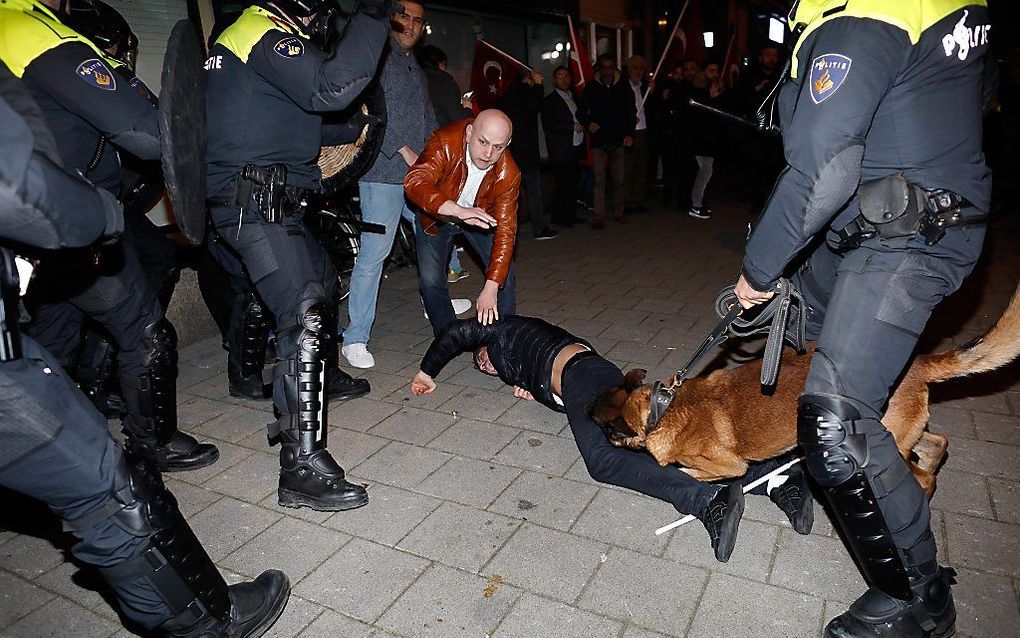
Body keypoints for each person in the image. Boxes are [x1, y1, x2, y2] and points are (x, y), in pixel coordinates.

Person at [0, 60, 290, 638]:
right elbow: (17, 185)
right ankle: (206, 620)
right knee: (106, 484)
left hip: (26, 299)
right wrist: (101, 215)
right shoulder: (39, 34)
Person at [732, 2, 991, 636]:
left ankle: (919, 599)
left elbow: (827, 166)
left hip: (906, 237)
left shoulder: (863, 12)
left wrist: (758, 271)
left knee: (835, 418)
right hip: (872, 222)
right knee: (795, 335)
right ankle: (788, 460)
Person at [0, 0, 219, 472]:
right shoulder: (35, 31)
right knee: (145, 331)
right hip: (64, 224)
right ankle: (151, 442)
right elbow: (144, 129)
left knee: (47, 346)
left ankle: (46, 455)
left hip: (23, 230)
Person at [409, 315, 812, 563]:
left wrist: (427, 371)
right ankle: (775, 475)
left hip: (583, 374)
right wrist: (538, 390)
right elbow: (555, 383)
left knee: (604, 460)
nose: (486, 366)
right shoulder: (518, 358)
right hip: (584, 375)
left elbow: (456, 332)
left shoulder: (498, 329)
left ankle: (707, 500)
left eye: (482, 359)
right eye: (486, 371)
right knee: (639, 442)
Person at [205, 0, 390, 511]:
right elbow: (329, 86)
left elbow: (296, 117)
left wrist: (354, 131)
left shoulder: (253, 39)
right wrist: (372, 16)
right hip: (254, 203)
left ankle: (272, 377)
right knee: (305, 309)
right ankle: (302, 467)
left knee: (320, 281)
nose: (320, 24)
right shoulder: (262, 31)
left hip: (271, 201)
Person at [342, 2, 471, 370]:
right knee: (374, 254)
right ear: (392, 18)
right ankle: (355, 337)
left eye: (418, 20)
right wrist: (404, 149)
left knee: (432, 236)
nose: (411, 25)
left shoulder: (411, 62)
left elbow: (426, 113)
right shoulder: (377, 57)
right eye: (405, 18)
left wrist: (437, 153)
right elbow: (368, 114)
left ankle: (436, 302)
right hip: (383, 174)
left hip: (417, 173)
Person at [404, 110, 518, 336]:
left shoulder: (509, 173)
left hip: (479, 217)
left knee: (503, 273)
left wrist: (491, 287)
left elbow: (506, 232)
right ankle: (448, 338)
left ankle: (502, 342)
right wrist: (456, 210)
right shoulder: (445, 141)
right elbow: (414, 181)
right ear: (469, 133)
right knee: (431, 280)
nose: (488, 154)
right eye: (483, 142)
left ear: (508, 144)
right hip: (438, 216)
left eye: (498, 147)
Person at [579, 54, 636, 229]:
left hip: (619, 141)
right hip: (599, 142)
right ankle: (598, 216)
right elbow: (580, 111)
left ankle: (619, 212)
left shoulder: (623, 86)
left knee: (619, 180)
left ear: (614, 68)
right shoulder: (592, 87)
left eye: (610, 67)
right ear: (599, 69)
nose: (607, 70)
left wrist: (629, 134)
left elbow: (631, 113)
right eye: (604, 67)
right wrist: (589, 124)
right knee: (599, 181)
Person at [499, 68, 557, 240]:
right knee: (533, 192)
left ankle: (506, 231)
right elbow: (534, 106)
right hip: (526, 153)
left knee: (510, 196)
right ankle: (539, 228)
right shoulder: (525, 93)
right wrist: (539, 85)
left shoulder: (507, 95)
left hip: (511, 153)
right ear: (528, 79)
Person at [541, 66, 585, 228]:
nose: (564, 79)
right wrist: (570, 127)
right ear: (554, 80)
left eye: (566, 76)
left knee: (573, 183)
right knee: (563, 184)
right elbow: (549, 125)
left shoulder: (574, 98)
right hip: (560, 150)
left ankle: (571, 214)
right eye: (560, 76)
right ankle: (560, 217)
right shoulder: (549, 101)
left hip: (575, 146)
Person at [687, 62, 724, 220]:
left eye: (716, 70)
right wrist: (713, 100)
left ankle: (700, 203)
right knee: (704, 171)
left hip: (711, 140)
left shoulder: (717, 88)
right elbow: (701, 115)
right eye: (710, 70)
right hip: (700, 139)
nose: (714, 73)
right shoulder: (698, 90)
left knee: (707, 173)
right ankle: (696, 205)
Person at [623, 54, 651, 215]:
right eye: (635, 67)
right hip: (630, 132)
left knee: (641, 168)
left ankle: (638, 201)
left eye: (641, 68)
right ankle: (626, 202)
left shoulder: (645, 87)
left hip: (644, 131)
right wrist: (628, 119)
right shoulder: (623, 87)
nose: (638, 71)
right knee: (628, 169)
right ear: (628, 69)